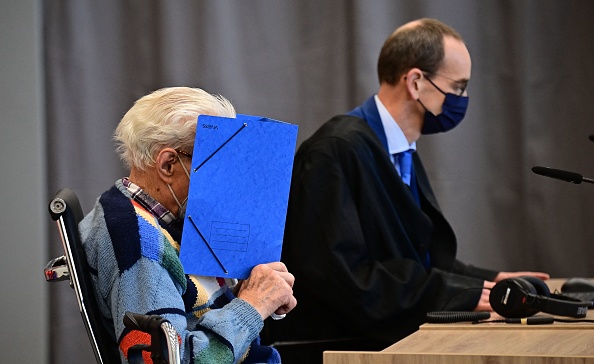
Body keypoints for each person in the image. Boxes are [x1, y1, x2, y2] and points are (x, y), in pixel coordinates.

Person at [262, 18, 549, 363]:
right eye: (457, 87)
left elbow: (416, 259)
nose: (463, 99)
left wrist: (489, 281)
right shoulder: (336, 150)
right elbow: (346, 278)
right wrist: (464, 294)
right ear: (415, 82)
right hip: (342, 347)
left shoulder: (395, 149)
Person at [79, 86, 297, 363]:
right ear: (168, 164)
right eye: (216, 163)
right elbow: (168, 360)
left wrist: (254, 293)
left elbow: (192, 314)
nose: (225, 182)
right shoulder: (138, 243)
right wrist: (251, 306)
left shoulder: (142, 212)